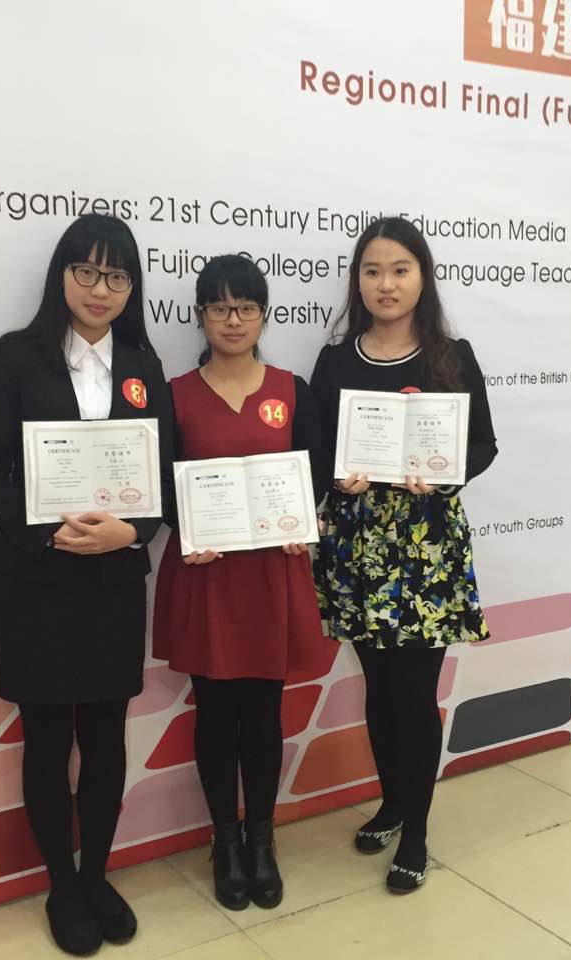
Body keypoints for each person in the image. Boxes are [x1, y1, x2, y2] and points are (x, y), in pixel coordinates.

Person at [0, 214, 173, 955]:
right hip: (37, 580)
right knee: (48, 738)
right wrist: (47, 529)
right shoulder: (17, 357)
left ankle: (95, 876)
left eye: (117, 275)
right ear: (62, 275)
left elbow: (163, 477)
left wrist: (133, 531)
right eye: (86, 271)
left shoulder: (144, 363)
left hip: (113, 580)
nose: (99, 288)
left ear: (132, 287)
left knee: (107, 738)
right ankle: (61, 885)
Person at [310, 216, 498, 893]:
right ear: (357, 282)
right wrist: (338, 479)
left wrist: (442, 475)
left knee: (414, 696)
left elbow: (482, 445)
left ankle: (415, 831)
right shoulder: (336, 360)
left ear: (423, 277)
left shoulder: (452, 356)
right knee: (379, 689)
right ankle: (391, 802)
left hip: (425, 548)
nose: (385, 284)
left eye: (399, 270)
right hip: (357, 545)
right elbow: (315, 449)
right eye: (372, 271)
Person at [151, 254, 329, 911]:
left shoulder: (292, 389)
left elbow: (313, 475)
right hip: (208, 576)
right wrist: (186, 527)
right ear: (200, 314)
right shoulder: (173, 394)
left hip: (271, 575)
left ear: (263, 315)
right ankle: (224, 842)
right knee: (216, 716)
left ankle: (262, 839)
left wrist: (304, 519)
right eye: (220, 308)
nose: (233, 320)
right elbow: (161, 483)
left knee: (263, 715)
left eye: (246, 308)